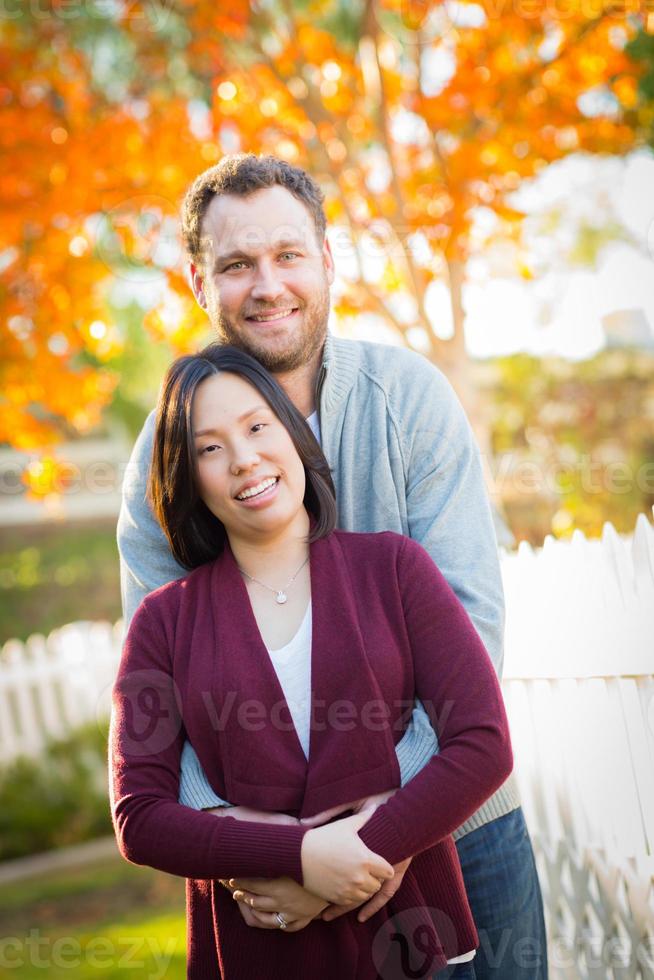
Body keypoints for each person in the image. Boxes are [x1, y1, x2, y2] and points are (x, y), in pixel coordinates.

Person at [117, 154, 548, 977]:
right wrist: (291, 852)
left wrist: (374, 832)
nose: (267, 285)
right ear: (198, 283)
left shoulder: (409, 399)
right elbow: (165, 700)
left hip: (464, 820)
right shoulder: (163, 463)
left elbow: (473, 625)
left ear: (328, 260)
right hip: (268, 873)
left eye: (287, 255)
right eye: (236, 264)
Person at [110, 343, 514, 979]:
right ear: (188, 477)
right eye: (210, 448)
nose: (244, 460)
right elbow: (139, 814)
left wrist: (351, 858)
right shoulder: (163, 622)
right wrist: (298, 855)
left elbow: (482, 744)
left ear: (294, 434)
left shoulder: (396, 568)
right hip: (263, 943)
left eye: (256, 427)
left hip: (406, 934)